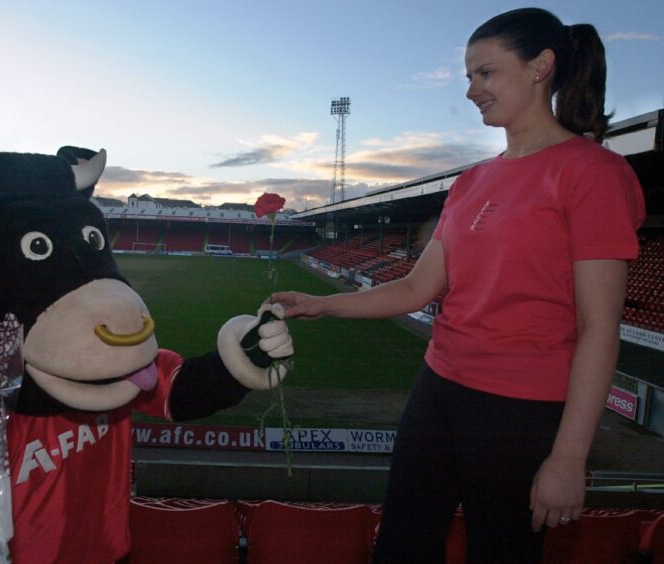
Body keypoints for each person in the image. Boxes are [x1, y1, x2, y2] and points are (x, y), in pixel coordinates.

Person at [271, 7, 645, 562]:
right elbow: (417, 289)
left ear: (541, 67)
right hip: (439, 389)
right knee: (400, 546)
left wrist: (568, 457)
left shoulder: (592, 173)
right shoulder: (472, 180)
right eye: (468, 76)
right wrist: (321, 304)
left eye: (486, 73)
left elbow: (599, 328)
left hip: (522, 412)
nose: (472, 90)